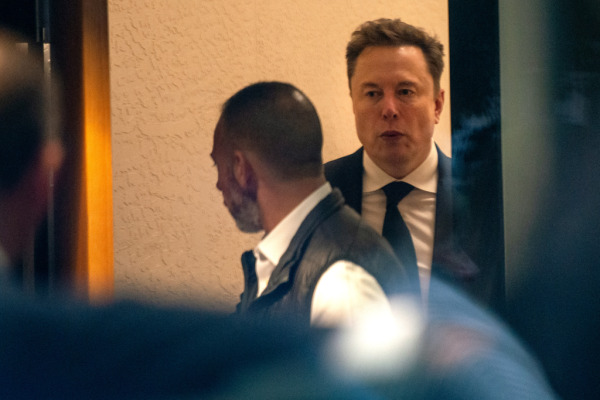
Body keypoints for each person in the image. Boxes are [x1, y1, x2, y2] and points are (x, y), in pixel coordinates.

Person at [324, 18, 497, 309]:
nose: (389, 109)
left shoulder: (485, 196)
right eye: (372, 94)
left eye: (405, 92)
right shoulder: (320, 194)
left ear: (437, 105)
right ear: (353, 102)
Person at [211, 81, 412, 327]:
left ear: (240, 168)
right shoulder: (287, 257)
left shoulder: (341, 286)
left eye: (218, 166)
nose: (219, 184)